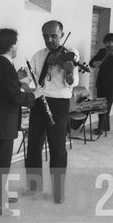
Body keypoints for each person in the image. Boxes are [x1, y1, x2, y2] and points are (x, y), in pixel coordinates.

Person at [0, 28, 43, 215]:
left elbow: (5, 87)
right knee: (0, 165)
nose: (17, 46)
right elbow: (15, 96)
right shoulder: (4, 66)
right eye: (16, 43)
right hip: (2, 125)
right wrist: (35, 94)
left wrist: (16, 78)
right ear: (10, 46)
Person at [25, 20, 79, 204]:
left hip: (59, 104)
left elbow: (72, 82)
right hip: (39, 101)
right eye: (46, 36)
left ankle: (58, 191)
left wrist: (67, 69)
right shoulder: (39, 55)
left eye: (54, 36)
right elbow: (27, 74)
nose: (49, 40)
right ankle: (34, 187)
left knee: (57, 147)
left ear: (62, 35)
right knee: (33, 146)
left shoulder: (70, 54)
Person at [89, 33, 113, 135]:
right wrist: (97, 63)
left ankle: (100, 127)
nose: (108, 44)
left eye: (110, 42)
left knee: (107, 106)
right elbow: (91, 63)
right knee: (100, 105)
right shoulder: (102, 51)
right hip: (100, 81)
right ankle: (106, 126)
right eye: (106, 42)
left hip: (111, 82)